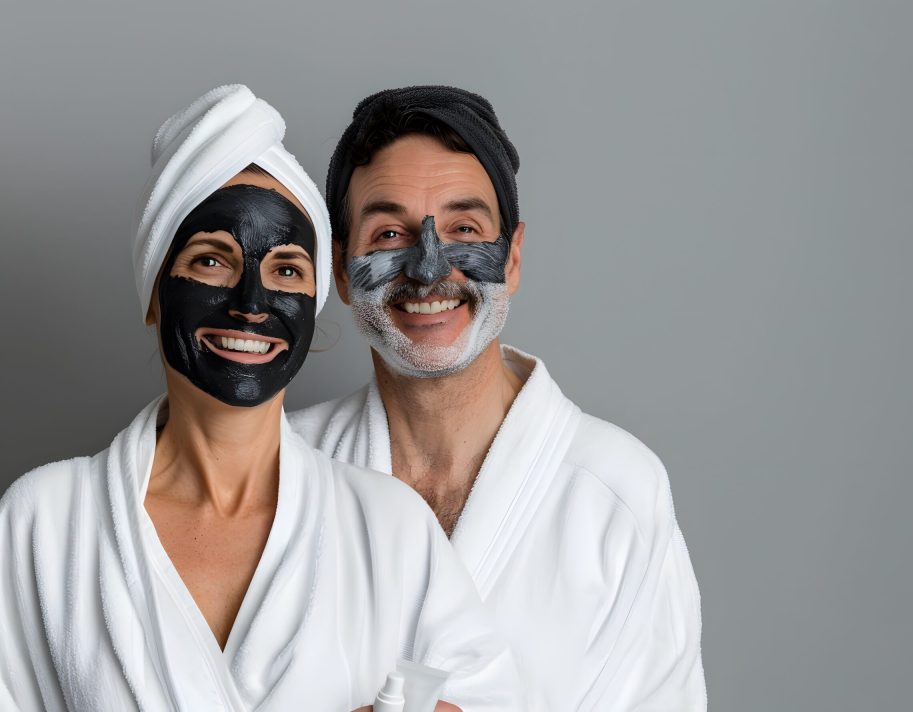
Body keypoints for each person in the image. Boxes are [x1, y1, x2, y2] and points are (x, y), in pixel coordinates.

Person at [0, 84, 522, 712]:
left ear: (314, 303)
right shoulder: (47, 523)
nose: (250, 304)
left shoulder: (390, 528)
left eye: (286, 271)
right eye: (212, 261)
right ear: (154, 294)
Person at [290, 85, 707, 710]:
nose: (428, 270)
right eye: (387, 235)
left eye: (463, 228)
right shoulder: (281, 471)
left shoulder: (616, 496)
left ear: (511, 257)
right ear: (343, 273)